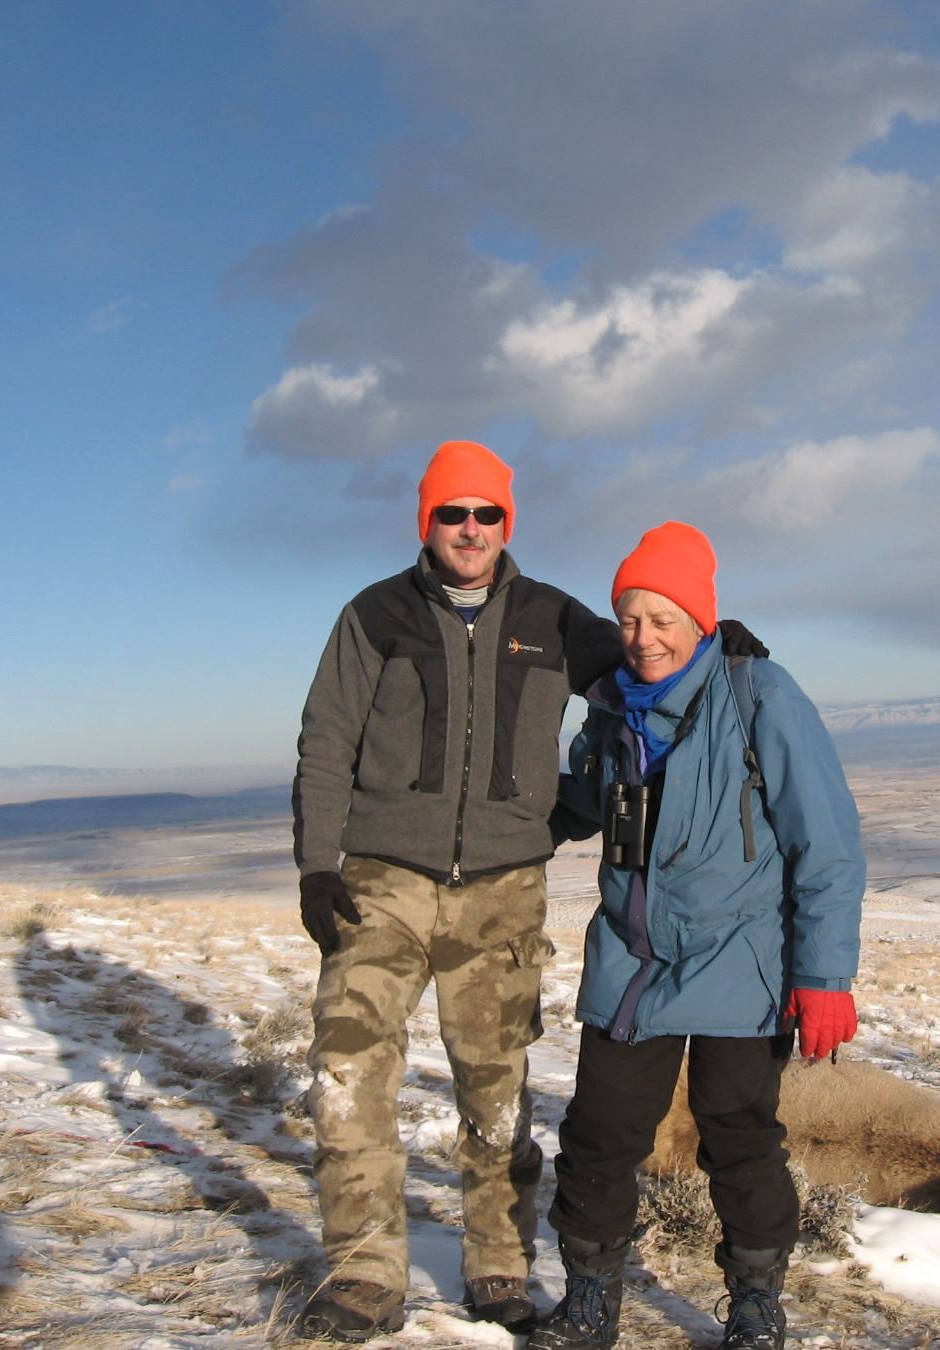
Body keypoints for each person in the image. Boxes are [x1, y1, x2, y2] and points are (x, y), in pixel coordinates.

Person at [292, 446, 766, 1343]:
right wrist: (319, 865)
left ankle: (500, 1266)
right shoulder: (373, 615)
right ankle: (363, 1275)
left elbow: (646, 663)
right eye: (452, 514)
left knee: (496, 1088)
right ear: (425, 522)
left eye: (488, 515)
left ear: (509, 523)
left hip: (503, 892)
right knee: (349, 1074)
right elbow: (325, 742)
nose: (471, 530)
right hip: (381, 883)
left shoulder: (555, 618)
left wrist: (714, 643)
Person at [529, 522, 865, 1350]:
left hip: (740, 961)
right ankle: (588, 1301)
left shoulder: (762, 696)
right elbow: (582, 806)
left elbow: (826, 844)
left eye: (663, 617)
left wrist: (824, 977)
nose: (643, 638)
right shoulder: (609, 710)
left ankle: (755, 1306)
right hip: (633, 958)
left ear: (700, 619)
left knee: (740, 1140)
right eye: (630, 618)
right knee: (599, 1137)